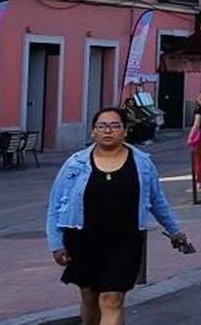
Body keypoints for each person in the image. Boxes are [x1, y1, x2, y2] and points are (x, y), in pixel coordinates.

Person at [47, 107, 187, 325]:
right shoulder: (75, 164)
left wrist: (175, 230)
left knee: (112, 299)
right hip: (83, 240)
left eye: (115, 125)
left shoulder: (142, 164)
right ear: (93, 132)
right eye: (102, 126)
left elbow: (157, 201)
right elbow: (56, 205)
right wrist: (56, 244)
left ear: (125, 131)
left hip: (125, 240)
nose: (108, 131)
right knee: (90, 299)